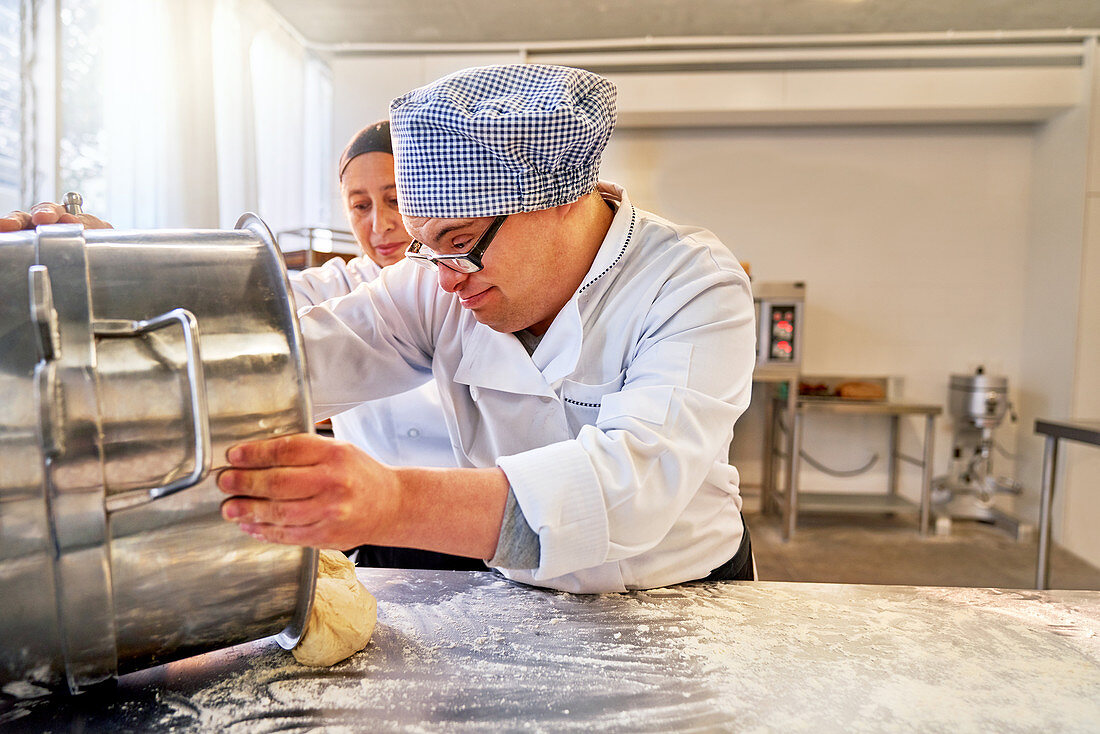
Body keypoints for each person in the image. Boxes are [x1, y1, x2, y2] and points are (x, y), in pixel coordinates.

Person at [8, 65, 757, 593]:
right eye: (426, 247)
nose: (440, 275)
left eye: (459, 241)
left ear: (562, 198)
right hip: (524, 590)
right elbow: (289, 350)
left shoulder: (689, 283)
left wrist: (393, 502)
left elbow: (631, 489)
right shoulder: (439, 283)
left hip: (682, 595)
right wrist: (112, 285)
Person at [287, 120, 485, 572]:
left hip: (475, 521)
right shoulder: (334, 285)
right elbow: (245, 304)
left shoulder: (474, 282)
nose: (380, 224)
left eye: (395, 199)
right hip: (375, 535)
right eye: (360, 206)